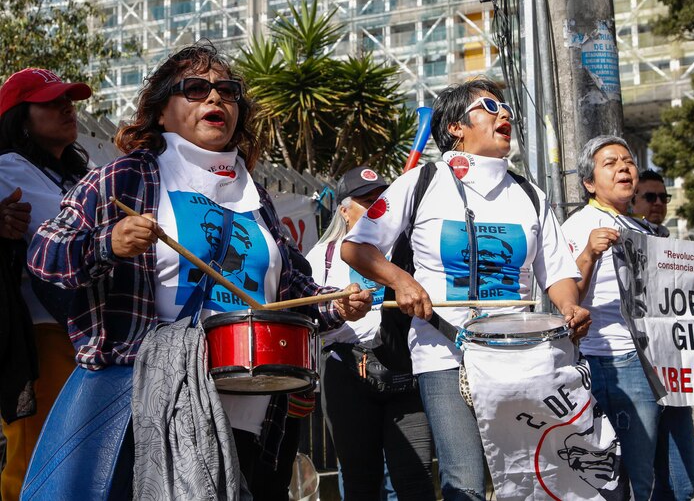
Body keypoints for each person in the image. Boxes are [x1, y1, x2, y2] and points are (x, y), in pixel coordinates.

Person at [26, 42, 371, 499]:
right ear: (161, 112)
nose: (215, 99)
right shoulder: (127, 176)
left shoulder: (256, 197)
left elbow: (291, 290)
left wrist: (334, 303)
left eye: (227, 91)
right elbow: (45, 255)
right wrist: (107, 244)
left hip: (250, 408)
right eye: (195, 88)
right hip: (147, 404)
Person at [341, 79, 590, 501]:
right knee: (465, 483)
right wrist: (402, 281)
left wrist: (569, 306)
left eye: (507, 108)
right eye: (490, 106)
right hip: (443, 351)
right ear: (455, 125)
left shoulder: (530, 193)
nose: (505, 115)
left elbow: (558, 273)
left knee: (532, 478)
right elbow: (355, 246)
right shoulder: (420, 181)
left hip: (523, 354)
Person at [561, 135, 694, 501]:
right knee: (635, 479)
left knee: (682, 479)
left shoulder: (644, 229)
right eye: (611, 163)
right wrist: (590, 253)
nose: (624, 167)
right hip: (618, 362)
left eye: (628, 161)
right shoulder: (578, 227)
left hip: (664, 362)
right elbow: (567, 298)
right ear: (589, 182)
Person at [306, 165, 435, 500]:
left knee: (414, 479)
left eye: (382, 200)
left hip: (406, 371)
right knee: (360, 479)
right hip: (347, 371)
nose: (376, 207)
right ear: (344, 211)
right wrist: (339, 310)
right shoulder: (321, 256)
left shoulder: (410, 250)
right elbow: (308, 316)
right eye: (366, 201)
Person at [0, 68, 93, 501]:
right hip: (39, 335)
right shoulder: (4, 169)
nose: (66, 107)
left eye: (68, 99)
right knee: (37, 459)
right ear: (20, 118)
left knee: (86, 462)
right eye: (51, 101)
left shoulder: (81, 175)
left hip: (92, 336)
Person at [630, 168, 670, 233]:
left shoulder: (664, 235)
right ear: (631, 201)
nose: (658, 203)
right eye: (650, 197)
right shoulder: (619, 236)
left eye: (663, 197)